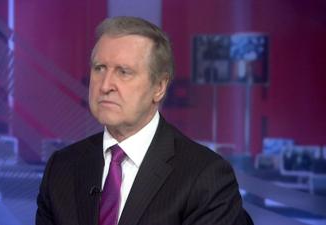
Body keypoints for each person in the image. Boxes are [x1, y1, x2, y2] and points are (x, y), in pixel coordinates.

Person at [36, 16, 253, 225]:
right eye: (99, 68)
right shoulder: (61, 168)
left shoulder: (205, 177)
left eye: (124, 72)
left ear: (159, 87)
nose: (105, 85)